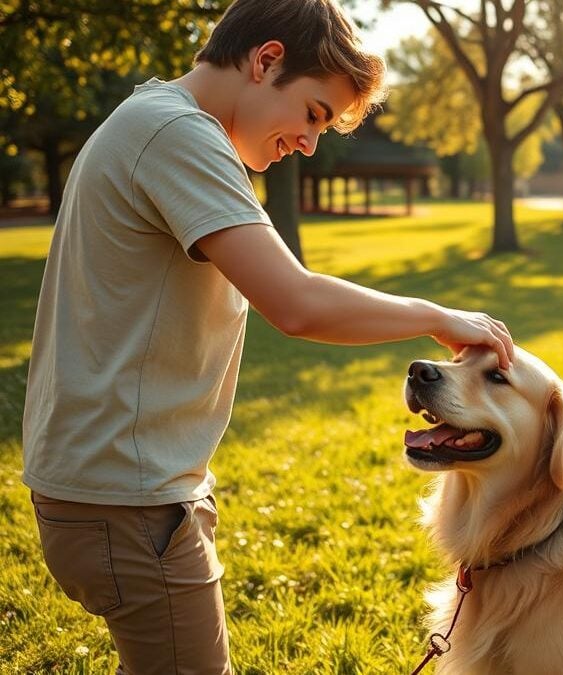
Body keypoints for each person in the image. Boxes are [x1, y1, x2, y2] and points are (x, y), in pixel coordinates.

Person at [20, 1, 513, 673]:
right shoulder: (176, 135)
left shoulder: (152, 119)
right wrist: (439, 316)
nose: (310, 143)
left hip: (117, 490)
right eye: (313, 113)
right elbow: (296, 301)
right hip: (127, 500)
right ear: (266, 60)